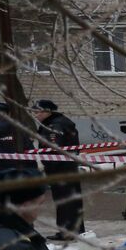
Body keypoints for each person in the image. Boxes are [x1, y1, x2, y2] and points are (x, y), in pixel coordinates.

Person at [31, 100, 86, 239]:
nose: (35, 115)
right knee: (71, 200)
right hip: (68, 167)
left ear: (47, 111)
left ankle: (66, 232)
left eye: (38, 112)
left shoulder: (55, 125)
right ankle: (76, 230)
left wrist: (49, 169)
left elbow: (53, 149)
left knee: (64, 201)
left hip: (61, 169)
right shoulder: (60, 122)